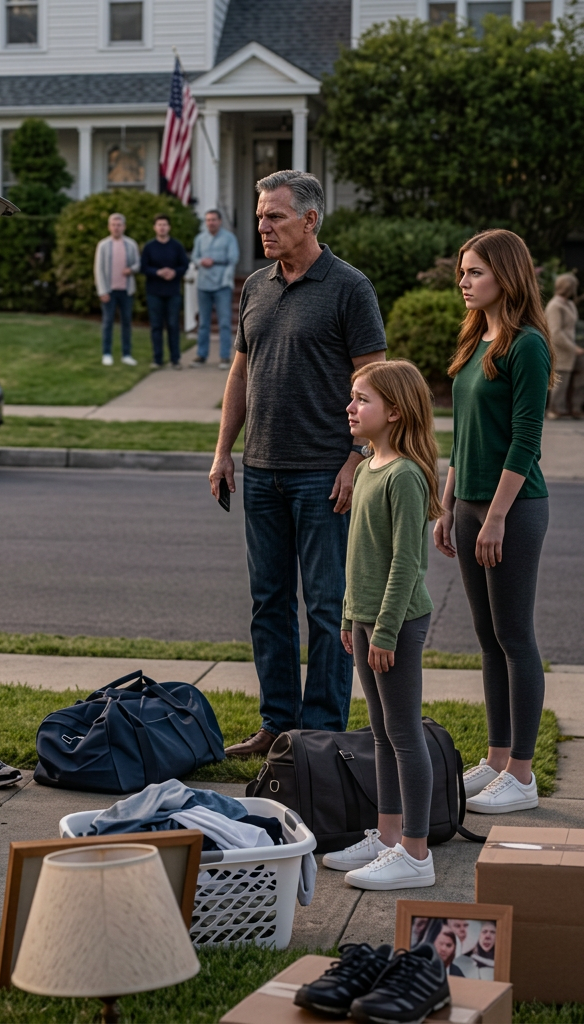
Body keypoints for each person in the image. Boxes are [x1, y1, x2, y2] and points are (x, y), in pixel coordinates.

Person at [209, 170, 386, 758]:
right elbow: (240, 373)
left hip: (323, 474)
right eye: (260, 215)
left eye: (275, 216)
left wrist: (356, 458)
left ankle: (321, 734)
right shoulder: (256, 287)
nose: (262, 226)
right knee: (269, 603)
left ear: (310, 220)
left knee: (329, 607)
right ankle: (277, 725)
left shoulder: (350, 288)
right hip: (261, 470)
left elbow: (376, 384)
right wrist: (223, 452)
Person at [435, 229, 554, 814]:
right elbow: (464, 437)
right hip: (469, 505)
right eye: (463, 271)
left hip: (514, 507)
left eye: (475, 271)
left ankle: (522, 776)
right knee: (487, 639)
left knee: (514, 636)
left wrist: (496, 517)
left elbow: (525, 441)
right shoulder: (474, 338)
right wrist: (448, 505)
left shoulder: (526, 345)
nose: (463, 281)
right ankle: (498, 757)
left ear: (505, 276)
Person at [322, 360, 441, 891]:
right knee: (381, 732)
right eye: (352, 397)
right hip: (367, 619)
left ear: (394, 411)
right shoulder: (370, 465)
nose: (350, 407)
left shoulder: (405, 476)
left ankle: (415, 853)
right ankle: (388, 836)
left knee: (404, 734)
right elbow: (358, 556)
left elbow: (405, 563)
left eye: (362, 399)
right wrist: (351, 615)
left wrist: (387, 630)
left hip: (397, 622)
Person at [190, 209, 239, 369]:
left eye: (213, 220)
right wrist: (201, 261)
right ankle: (201, 355)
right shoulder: (200, 238)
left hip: (222, 284)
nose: (211, 223)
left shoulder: (229, 238)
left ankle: (224, 357)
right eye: (208, 220)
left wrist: (214, 260)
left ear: (219, 221)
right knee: (203, 322)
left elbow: (233, 258)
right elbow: (194, 257)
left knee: (224, 322)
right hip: (203, 284)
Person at [140, 214, 190, 368]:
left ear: (169, 227)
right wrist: (157, 272)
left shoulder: (176, 246)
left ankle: (175, 359)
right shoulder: (149, 247)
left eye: (164, 224)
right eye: (159, 225)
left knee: (173, 326)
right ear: (154, 227)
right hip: (154, 292)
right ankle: (157, 359)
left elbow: (185, 265)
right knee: (156, 326)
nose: (162, 227)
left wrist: (174, 272)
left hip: (173, 292)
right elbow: (143, 267)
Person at [94, 213, 140, 367]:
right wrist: (102, 291)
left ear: (124, 227)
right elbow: (98, 269)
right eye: (113, 225)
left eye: (119, 225)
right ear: (109, 227)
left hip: (126, 290)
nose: (116, 228)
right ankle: (107, 353)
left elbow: (138, 264)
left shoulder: (131, 244)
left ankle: (126, 354)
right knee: (108, 323)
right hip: (109, 291)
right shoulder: (103, 245)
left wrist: (131, 269)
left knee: (126, 323)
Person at [544, 272, 581, 418]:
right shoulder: (555, 306)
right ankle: (554, 409)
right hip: (560, 349)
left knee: (579, 375)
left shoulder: (570, 304)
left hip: (571, 349)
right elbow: (555, 332)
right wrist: (574, 348)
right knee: (560, 380)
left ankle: (574, 407)